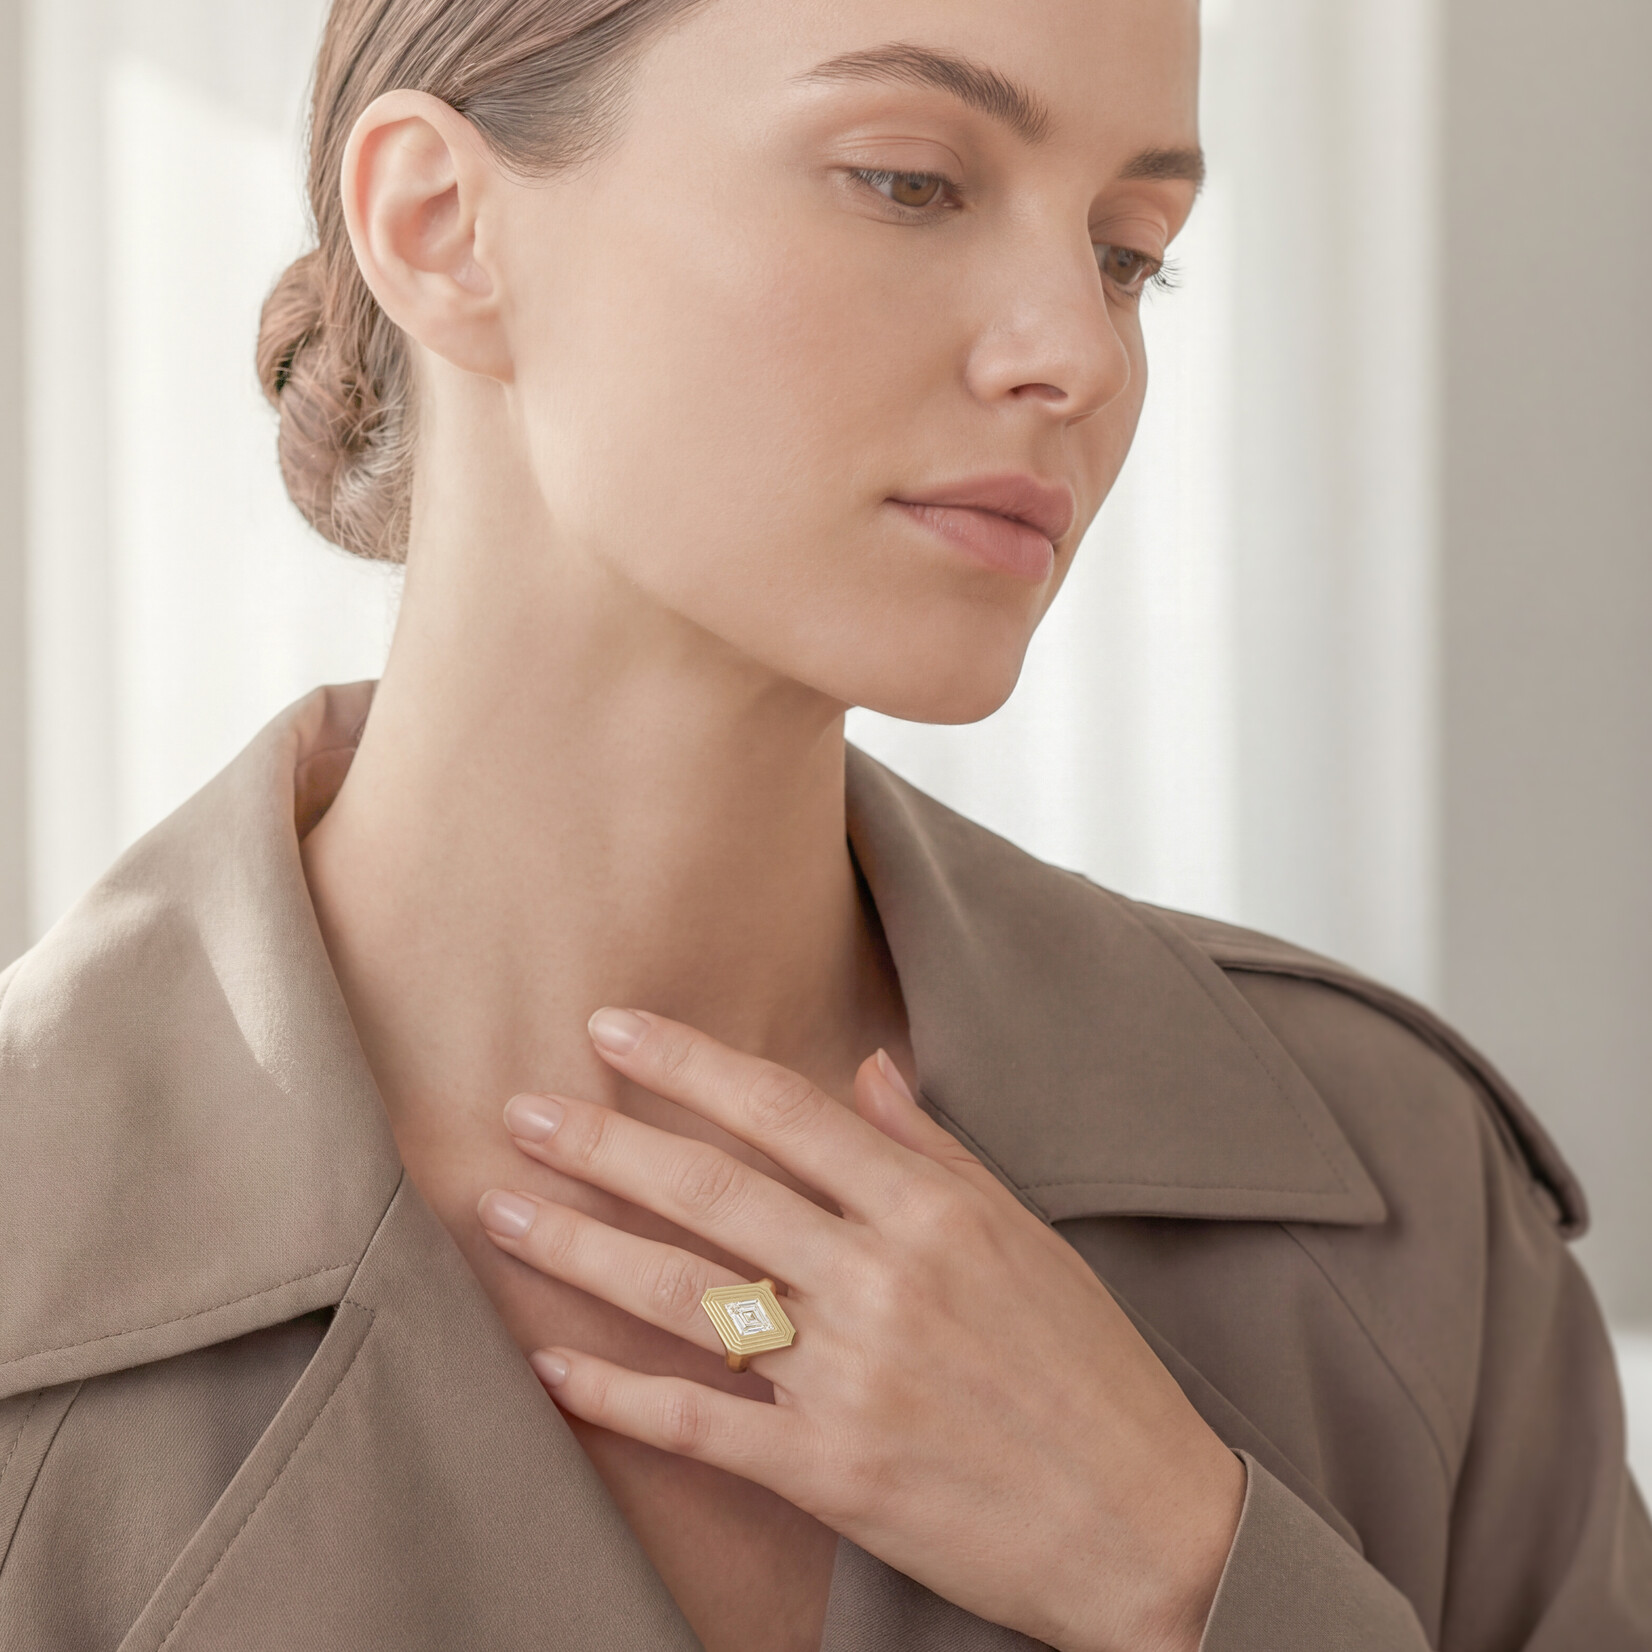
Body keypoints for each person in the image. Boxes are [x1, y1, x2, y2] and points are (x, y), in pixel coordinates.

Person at [1, 0, 1648, 1647]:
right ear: (441, 226)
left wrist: (1182, 1570)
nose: (1078, 355)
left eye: (1127, 254)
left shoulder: (1405, 1212)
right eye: (910, 181)